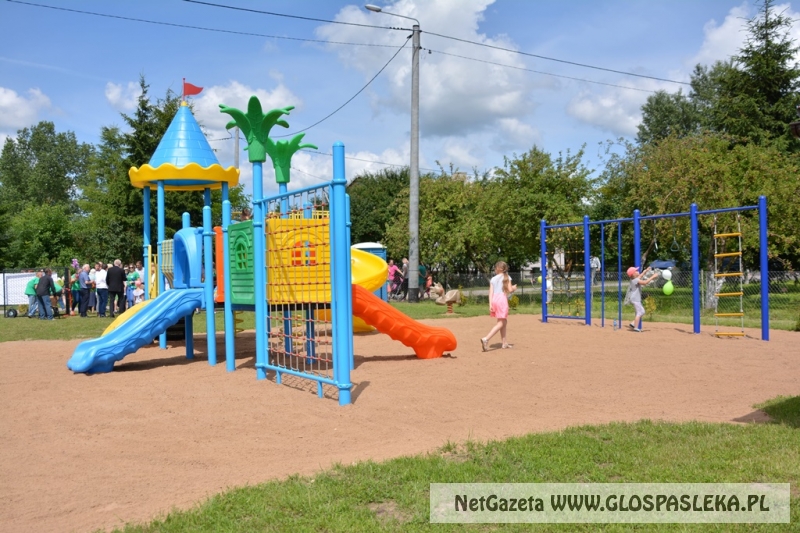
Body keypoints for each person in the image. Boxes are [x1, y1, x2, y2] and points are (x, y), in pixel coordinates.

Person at [480, 261, 518, 351]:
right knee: (501, 322)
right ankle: (486, 339)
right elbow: (510, 290)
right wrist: (514, 288)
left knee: (503, 321)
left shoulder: (493, 279)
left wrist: (490, 304)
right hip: (501, 300)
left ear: (498, 269)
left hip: (494, 300)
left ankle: (504, 343)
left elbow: (490, 292)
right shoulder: (507, 277)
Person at [625, 266, 659, 332]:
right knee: (639, 312)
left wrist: (646, 271)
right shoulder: (636, 280)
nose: (638, 271)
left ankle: (633, 324)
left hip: (635, 298)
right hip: (635, 299)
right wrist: (653, 277)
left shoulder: (634, 279)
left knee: (642, 312)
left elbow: (640, 276)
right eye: (636, 271)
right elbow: (645, 282)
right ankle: (636, 327)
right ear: (633, 274)